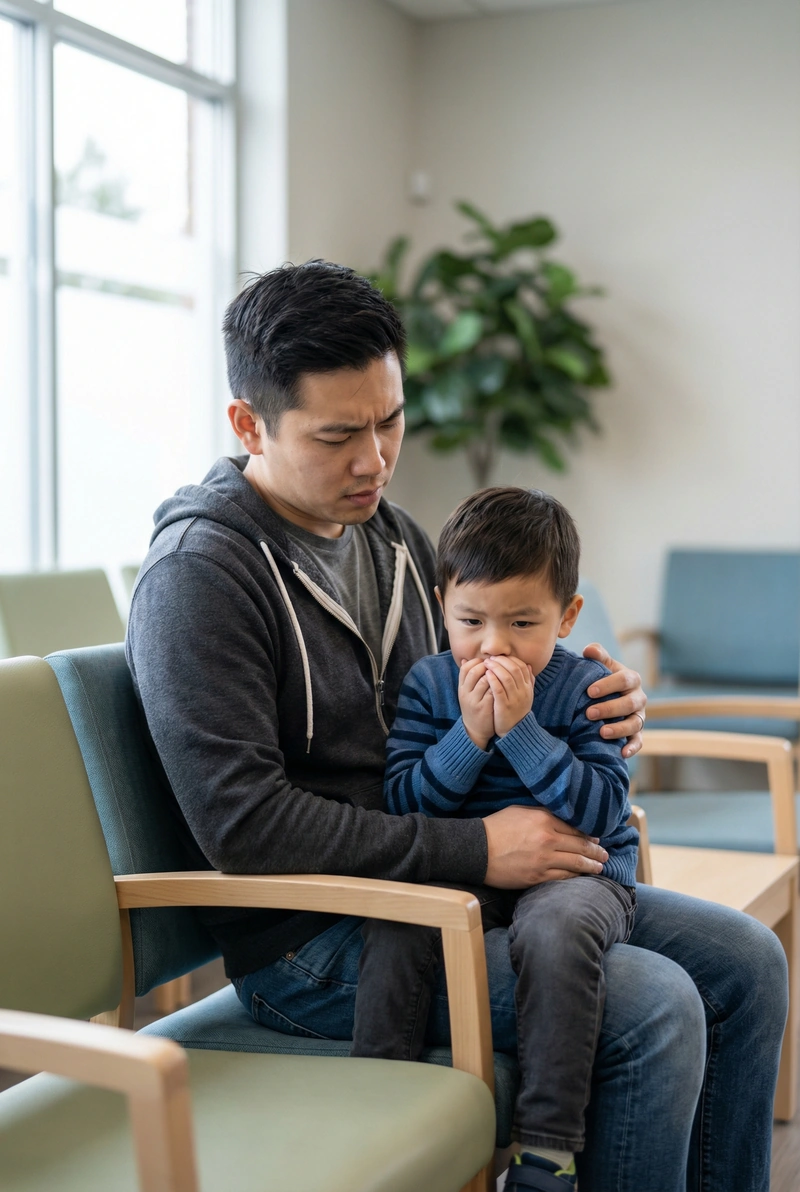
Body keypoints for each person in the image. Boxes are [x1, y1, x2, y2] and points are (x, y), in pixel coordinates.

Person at [126, 260, 787, 1192]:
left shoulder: (389, 535)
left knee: (749, 964)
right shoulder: (199, 577)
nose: (376, 460)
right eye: (338, 434)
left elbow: (457, 694)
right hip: (325, 938)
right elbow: (245, 828)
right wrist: (473, 850)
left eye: (390, 420)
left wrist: (582, 692)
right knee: (652, 1007)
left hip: (452, 888)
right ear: (248, 424)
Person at [351, 486, 638, 1191]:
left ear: (566, 617)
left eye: (521, 623)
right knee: (396, 924)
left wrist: (522, 732)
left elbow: (603, 809)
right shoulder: (429, 685)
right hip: (467, 867)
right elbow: (406, 802)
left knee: (557, 934)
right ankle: (374, 1113)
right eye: (471, 620)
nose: (493, 646)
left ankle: (547, 1150)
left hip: (575, 877)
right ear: (442, 607)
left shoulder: (585, 689)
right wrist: (470, 734)